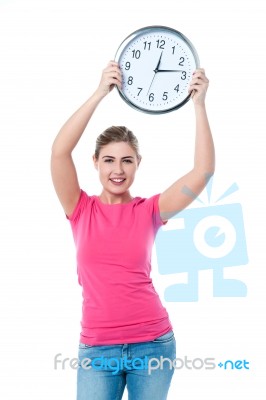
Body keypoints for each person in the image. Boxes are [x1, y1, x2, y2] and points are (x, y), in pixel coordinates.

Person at [50, 61, 214, 400]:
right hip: (96, 351)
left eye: (127, 160)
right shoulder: (79, 208)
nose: (118, 169)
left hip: (153, 345)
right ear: (95, 162)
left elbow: (203, 171)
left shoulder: (150, 210)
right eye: (109, 160)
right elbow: (59, 152)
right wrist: (99, 94)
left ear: (138, 163)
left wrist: (199, 105)